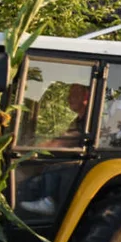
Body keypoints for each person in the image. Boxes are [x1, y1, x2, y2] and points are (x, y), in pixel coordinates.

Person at [19, 83, 91, 216]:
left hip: (83, 162)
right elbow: (62, 138)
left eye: (74, 94)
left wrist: (32, 149)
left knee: (52, 166)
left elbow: (64, 140)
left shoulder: (90, 118)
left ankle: (48, 202)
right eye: (69, 95)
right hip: (75, 158)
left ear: (86, 95)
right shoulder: (78, 119)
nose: (69, 99)